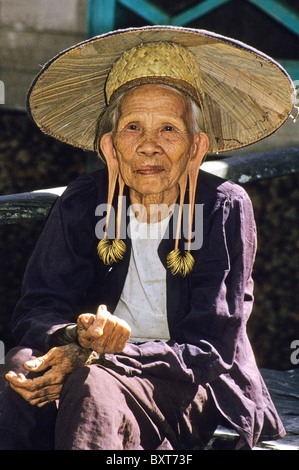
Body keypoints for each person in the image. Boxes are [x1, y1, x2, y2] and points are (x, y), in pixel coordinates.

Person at [0, 26, 295, 450]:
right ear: (110, 146)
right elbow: (38, 306)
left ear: (196, 148)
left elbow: (210, 348)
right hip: (91, 357)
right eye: (133, 127)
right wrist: (73, 335)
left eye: (169, 130)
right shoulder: (84, 201)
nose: (150, 146)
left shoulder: (223, 207)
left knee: (92, 387)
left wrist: (99, 357)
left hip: (185, 379)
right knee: (21, 373)